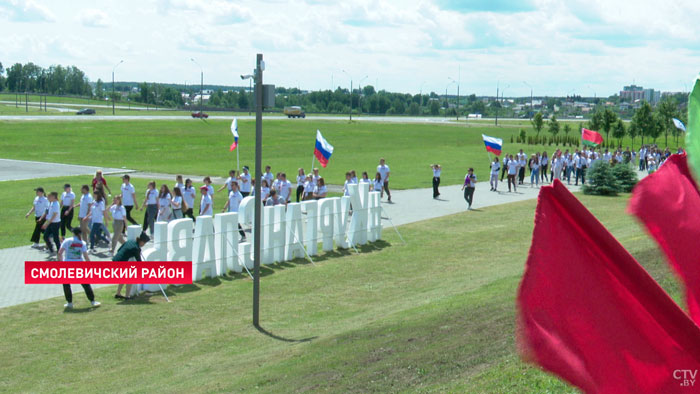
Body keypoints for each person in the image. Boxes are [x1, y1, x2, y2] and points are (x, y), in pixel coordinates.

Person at [58, 227, 100, 309]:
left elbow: (60, 253)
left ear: (73, 233)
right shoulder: (82, 243)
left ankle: (69, 302)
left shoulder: (67, 241)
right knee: (85, 284)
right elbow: (85, 256)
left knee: (66, 284)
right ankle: (92, 301)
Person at [114, 232, 150, 300]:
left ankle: (118, 294)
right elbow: (139, 262)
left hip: (116, 259)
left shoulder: (130, 241)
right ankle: (127, 296)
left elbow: (119, 249)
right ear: (141, 241)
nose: (144, 245)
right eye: (144, 243)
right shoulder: (136, 248)